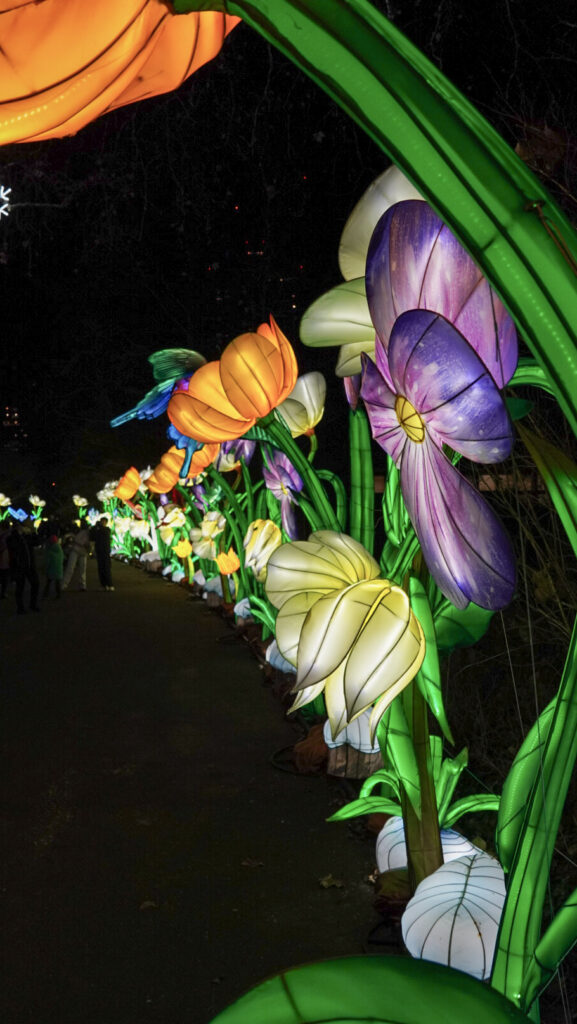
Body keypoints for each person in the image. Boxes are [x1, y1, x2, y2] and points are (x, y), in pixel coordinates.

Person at [7, 522, 40, 613]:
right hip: (19, 566)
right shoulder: (12, 537)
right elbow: (13, 547)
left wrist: (33, 532)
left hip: (30, 565)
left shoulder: (27, 536)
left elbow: (37, 542)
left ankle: (32, 604)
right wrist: (19, 535)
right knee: (20, 587)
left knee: (35, 584)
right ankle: (20, 607)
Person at [62, 524, 91, 590]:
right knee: (81, 569)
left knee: (71, 568)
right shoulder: (87, 534)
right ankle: (82, 585)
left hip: (76, 550)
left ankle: (64, 584)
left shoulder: (78, 532)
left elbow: (70, 538)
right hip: (82, 551)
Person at [91, 517, 114, 591]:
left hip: (105, 552)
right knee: (101, 569)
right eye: (101, 521)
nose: (102, 523)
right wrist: (95, 527)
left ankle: (109, 584)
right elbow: (92, 536)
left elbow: (102, 533)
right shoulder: (98, 530)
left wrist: (97, 527)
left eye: (103, 522)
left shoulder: (107, 530)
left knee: (106, 568)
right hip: (99, 551)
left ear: (106, 522)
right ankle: (103, 585)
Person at [43, 534, 64, 599]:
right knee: (57, 583)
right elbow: (63, 558)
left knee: (48, 582)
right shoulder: (60, 549)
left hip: (51, 570)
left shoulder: (49, 551)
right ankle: (58, 594)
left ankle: (45, 594)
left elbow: (48, 562)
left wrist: (45, 569)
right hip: (59, 569)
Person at [0, 521, 10, 598]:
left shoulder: (3, 535)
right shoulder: (8, 535)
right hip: (5, 557)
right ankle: (3, 592)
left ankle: (3, 592)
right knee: (5, 575)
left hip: (4, 557)